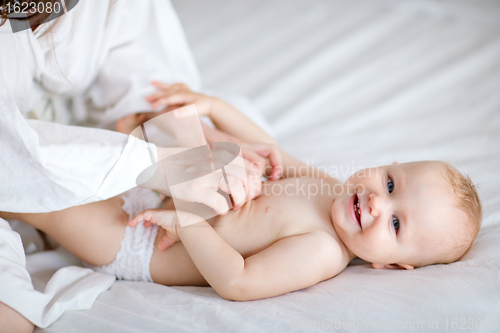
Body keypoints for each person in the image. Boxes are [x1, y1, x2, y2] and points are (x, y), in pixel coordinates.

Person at [1, 85, 483, 303]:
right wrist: (215, 107)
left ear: (390, 265)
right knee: (190, 130)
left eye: (396, 224)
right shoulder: (331, 188)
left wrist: (187, 225)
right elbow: (272, 150)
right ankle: (116, 126)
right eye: (392, 184)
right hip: (170, 188)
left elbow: (240, 280)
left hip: (141, 242)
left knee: (46, 194)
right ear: (387, 164)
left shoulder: (322, 250)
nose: (380, 203)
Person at [0, 1, 277, 330]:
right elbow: (237, 281)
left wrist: (194, 136)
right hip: (97, 202)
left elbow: (142, 79)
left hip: (112, 175)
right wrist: (157, 167)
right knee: (10, 314)